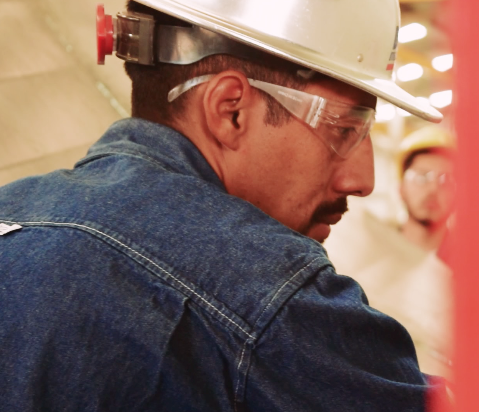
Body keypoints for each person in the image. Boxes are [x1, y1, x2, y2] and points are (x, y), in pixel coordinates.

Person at [0, 0, 445, 410]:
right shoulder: (268, 298)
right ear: (230, 111)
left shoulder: (13, 207)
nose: (362, 181)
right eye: (344, 130)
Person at [324, 126, 456, 379]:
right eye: (421, 177)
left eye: (446, 180)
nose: (432, 189)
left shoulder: (471, 275)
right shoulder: (363, 249)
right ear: (401, 188)